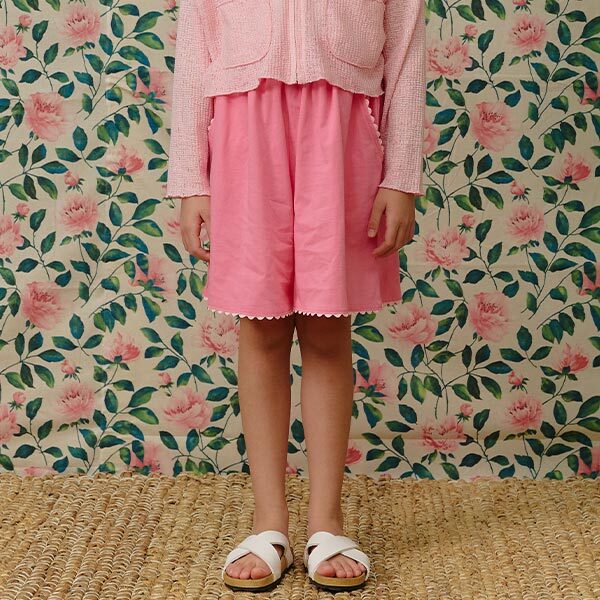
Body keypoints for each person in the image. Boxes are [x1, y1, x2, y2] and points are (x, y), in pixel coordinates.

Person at [164, 0, 426, 592]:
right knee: (260, 328)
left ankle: (326, 524)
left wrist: (402, 175)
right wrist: (191, 179)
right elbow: (196, 49)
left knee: (328, 328)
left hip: (344, 125)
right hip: (242, 125)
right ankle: (269, 525)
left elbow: (406, 49)